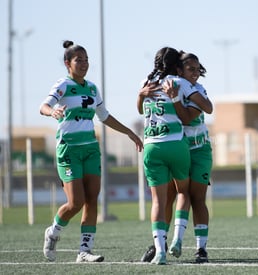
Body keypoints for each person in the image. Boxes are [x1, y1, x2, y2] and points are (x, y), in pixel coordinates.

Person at [40, 40, 143, 262]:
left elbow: (104, 116)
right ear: (68, 63)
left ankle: (84, 251)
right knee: (75, 203)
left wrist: (129, 132)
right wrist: (53, 112)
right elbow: (44, 106)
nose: (84, 63)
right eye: (79, 60)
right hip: (68, 150)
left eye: (86, 60)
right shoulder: (63, 85)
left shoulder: (93, 88)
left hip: (90, 149)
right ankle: (53, 231)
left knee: (92, 200)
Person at [140, 51, 213, 263]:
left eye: (197, 69)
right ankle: (160, 245)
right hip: (177, 147)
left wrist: (173, 98)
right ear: (178, 70)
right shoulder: (173, 83)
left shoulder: (195, 89)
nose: (196, 73)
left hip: (198, 149)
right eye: (190, 69)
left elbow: (189, 119)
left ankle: (200, 249)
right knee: (168, 198)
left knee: (197, 198)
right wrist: (143, 94)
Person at [137, 47, 191, 265]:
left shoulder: (145, 82)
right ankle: (177, 240)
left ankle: (159, 251)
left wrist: (140, 94)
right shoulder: (179, 83)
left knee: (158, 201)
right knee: (183, 193)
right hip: (175, 144)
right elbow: (190, 113)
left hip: (151, 146)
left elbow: (140, 110)